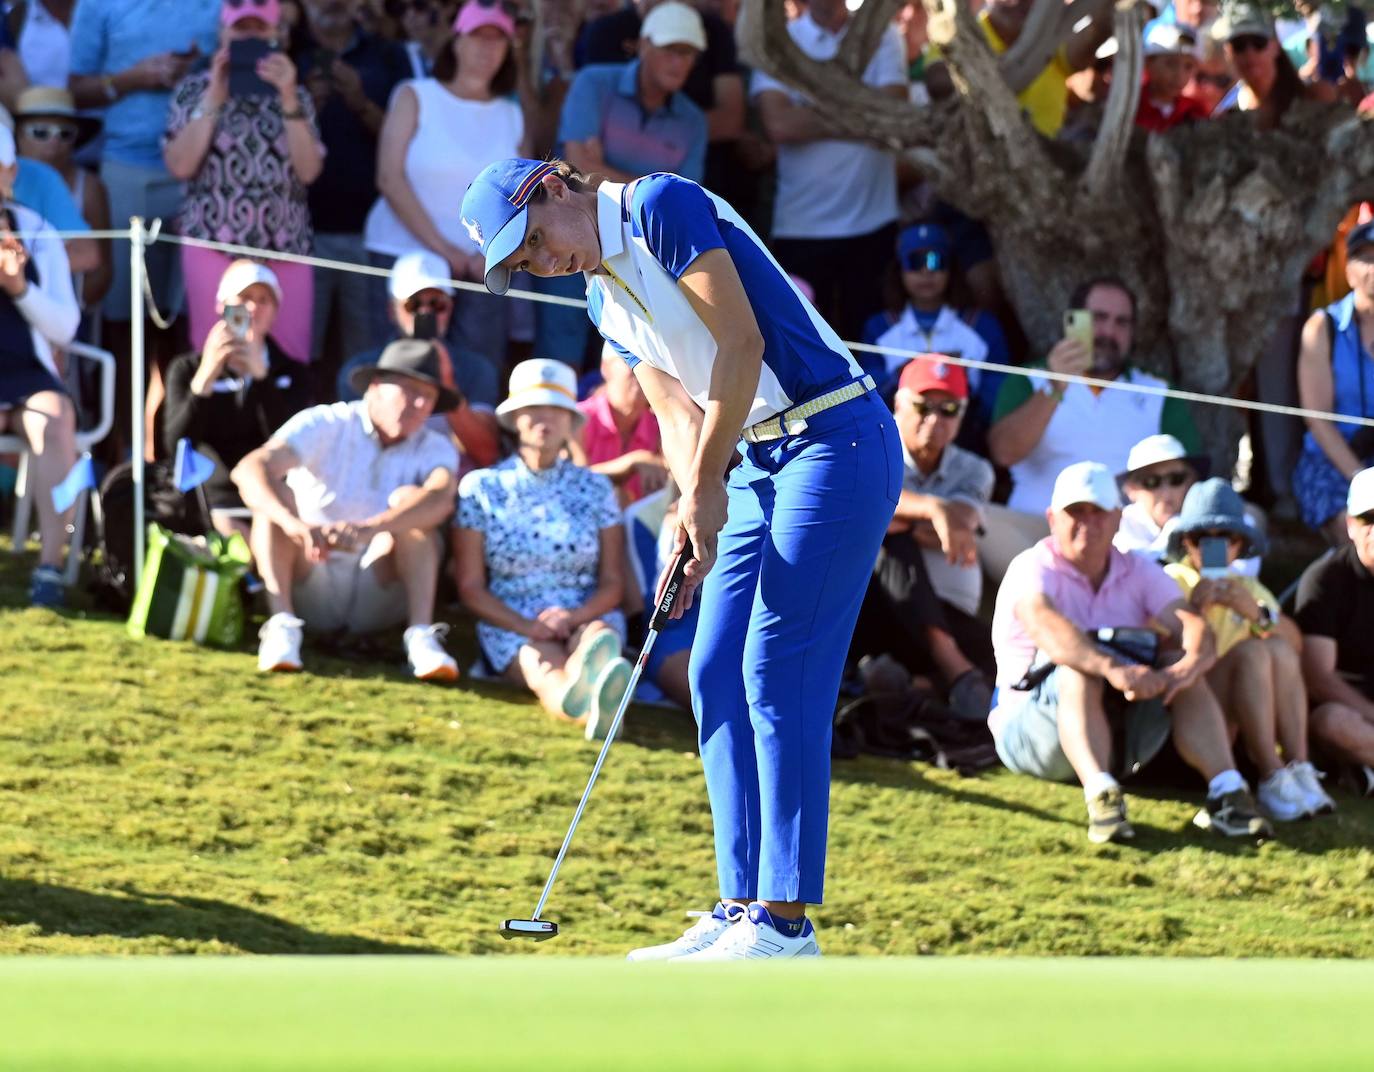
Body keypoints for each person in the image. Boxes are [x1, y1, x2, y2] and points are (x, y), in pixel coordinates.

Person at [461, 155, 902, 959]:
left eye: (531, 242)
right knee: (711, 667)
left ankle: (787, 922)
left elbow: (740, 345)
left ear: (554, 188)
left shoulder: (661, 206)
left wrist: (704, 485)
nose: (539, 263)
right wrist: (683, 509)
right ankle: (739, 909)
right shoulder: (601, 295)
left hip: (837, 436)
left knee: (777, 668)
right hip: (758, 457)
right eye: (522, 263)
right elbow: (673, 406)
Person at [989, 462, 1273, 844]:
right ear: (1053, 519)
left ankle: (1228, 793)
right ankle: (1102, 797)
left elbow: (1190, 624)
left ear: (1118, 518)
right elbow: (1047, 628)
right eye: (1076, 512)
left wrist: (1188, 665)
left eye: (1098, 512)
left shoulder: (1138, 570)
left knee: (1179, 664)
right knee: (1077, 666)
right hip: (1030, 731)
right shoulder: (1031, 567)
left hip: (1122, 725)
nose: (1088, 523)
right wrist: (1114, 669)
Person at [231, 338, 460, 682]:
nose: (417, 404)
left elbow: (441, 497)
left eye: (427, 397)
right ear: (376, 387)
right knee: (273, 500)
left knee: (414, 506)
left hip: (379, 584)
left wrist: (372, 528)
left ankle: (421, 635)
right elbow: (249, 469)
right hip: (310, 571)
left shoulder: (437, 446)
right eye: (408, 390)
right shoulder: (325, 422)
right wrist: (296, 526)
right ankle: (281, 625)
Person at [68, 0, 222, 461]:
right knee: (123, 330)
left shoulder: (217, 6)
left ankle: (176, 468)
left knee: (183, 333)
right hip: (126, 170)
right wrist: (134, 78)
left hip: (203, 178)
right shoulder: (100, 6)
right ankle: (121, 472)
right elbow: (75, 90)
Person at [454, 357, 635, 739]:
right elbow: (470, 586)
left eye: (557, 410)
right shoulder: (481, 488)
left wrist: (573, 617)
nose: (545, 419)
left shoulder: (597, 489)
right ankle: (591, 713)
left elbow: (613, 582)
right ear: (514, 419)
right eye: (533, 408)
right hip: (512, 616)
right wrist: (528, 626)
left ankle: (599, 688)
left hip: (585, 611)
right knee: (544, 668)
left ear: (571, 422)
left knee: (598, 637)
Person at [983, 276, 1202, 579]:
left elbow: (1190, 478)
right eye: (1098, 319)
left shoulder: (1159, 393)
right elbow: (1004, 452)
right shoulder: (1030, 379)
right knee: (976, 520)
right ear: (1073, 322)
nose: (1109, 332)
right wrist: (1055, 386)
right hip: (1039, 533)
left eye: (1122, 322)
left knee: (1246, 517)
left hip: (1128, 538)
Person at [533, 1, 708, 368]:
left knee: (642, 360)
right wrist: (649, 185)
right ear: (644, 45)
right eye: (671, 50)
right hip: (575, 229)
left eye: (689, 53)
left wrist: (603, 168)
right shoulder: (594, 82)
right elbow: (578, 168)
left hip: (646, 249)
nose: (680, 62)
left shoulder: (693, 120)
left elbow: (682, 194)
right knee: (561, 345)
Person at [365, 0, 528, 365]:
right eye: (477, 36)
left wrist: (483, 255)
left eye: (498, 38)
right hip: (402, 254)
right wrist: (445, 250)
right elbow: (389, 178)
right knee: (396, 368)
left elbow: (521, 198)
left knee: (475, 372)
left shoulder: (512, 113)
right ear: (456, 41)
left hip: (480, 266)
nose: (487, 47)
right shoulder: (414, 94)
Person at [164, 0, 325, 366]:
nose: (250, 37)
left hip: (286, 248)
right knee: (217, 354)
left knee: (289, 358)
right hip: (214, 245)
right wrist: (213, 98)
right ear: (222, 34)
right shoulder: (192, 91)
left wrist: (287, 96)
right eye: (241, 29)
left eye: (260, 29)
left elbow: (309, 170)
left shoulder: (296, 95)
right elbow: (180, 164)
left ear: (277, 36)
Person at [1163, 478, 1335, 819]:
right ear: (1187, 543)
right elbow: (1164, 649)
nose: (1215, 547)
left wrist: (1256, 613)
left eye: (1225, 537)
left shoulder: (1246, 587)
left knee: (1278, 649)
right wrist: (1195, 610)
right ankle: (1271, 775)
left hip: (1246, 709)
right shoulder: (1172, 578)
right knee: (1254, 652)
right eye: (1202, 539)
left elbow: (1294, 645)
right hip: (1194, 709)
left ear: (1239, 545)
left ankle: (1299, 769)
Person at [750, 0, 906, 344]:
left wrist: (810, 111)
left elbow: (891, 114)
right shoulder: (777, 42)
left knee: (869, 345)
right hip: (801, 227)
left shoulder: (885, 35)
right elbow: (779, 125)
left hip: (873, 224)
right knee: (803, 345)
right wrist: (861, 112)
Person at [852, 358, 996, 720]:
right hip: (867, 603)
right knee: (891, 543)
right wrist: (933, 509)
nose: (935, 419)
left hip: (935, 608)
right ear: (898, 404)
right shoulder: (867, 448)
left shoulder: (974, 468)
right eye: (923, 406)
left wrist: (900, 516)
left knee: (997, 653)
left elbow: (960, 523)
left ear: (962, 416)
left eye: (948, 409)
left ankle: (912, 685)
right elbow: (866, 515)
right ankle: (951, 668)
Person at [290, 0, 407, 371]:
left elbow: (407, 140)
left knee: (365, 356)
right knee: (298, 353)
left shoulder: (388, 54)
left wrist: (359, 101)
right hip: (299, 233)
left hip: (370, 233)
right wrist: (305, 104)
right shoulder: (286, 53)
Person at [161, 261, 314, 542]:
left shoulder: (293, 373)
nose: (253, 309)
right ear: (222, 306)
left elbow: (291, 441)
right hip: (212, 497)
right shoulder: (186, 369)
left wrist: (261, 378)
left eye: (263, 300)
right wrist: (206, 377)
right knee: (232, 534)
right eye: (244, 299)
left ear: (275, 311)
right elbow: (176, 443)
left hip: (269, 491)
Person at [0, 123, 80, 607]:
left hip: (27, 373)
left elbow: (65, 327)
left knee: (56, 420)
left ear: (9, 173)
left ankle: (50, 566)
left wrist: (19, 289)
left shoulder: (37, 231)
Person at [335, 249, 500, 468]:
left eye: (437, 304)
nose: (425, 313)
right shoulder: (359, 369)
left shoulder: (477, 369)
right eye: (412, 305)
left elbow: (486, 454)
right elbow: (351, 446)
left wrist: (448, 385)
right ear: (391, 311)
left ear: (450, 308)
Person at [865, 221, 1009, 453]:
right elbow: (869, 392)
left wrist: (961, 389)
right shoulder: (880, 326)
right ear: (899, 269)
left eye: (936, 262)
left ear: (951, 269)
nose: (926, 272)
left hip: (967, 438)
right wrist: (907, 374)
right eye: (914, 263)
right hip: (896, 440)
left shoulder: (981, 325)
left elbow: (999, 389)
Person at [1294, 466, 1374, 794]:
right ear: (1351, 525)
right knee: (1332, 722)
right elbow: (1319, 679)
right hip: (1351, 712)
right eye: (1369, 519)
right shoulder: (1324, 579)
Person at [926, 0, 1113, 138]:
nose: (1022, 3)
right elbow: (937, 80)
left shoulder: (1052, 46)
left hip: (1047, 168)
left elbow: (1093, 36)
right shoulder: (960, 38)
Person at [1295, 220, 1374, 544]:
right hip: (1334, 463)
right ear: (1348, 271)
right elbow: (1319, 420)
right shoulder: (1321, 328)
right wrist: (1361, 480)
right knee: (1358, 532)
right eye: (1365, 258)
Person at [12, 86, 112, 314]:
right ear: (17, 135)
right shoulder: (25, 176)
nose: (54, 142)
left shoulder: (89, 187)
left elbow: (99, 268)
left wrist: (60, 309)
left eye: (65, 133)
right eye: (40, 132)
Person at [571, 340, 666, 506]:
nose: (641, 370)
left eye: (652, 364)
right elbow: (571, 481)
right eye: (630, 359)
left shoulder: (663, 427)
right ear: (605, 368)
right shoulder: (577, 420)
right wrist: (632, 463)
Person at [1136, 23, 1210, 131]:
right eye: (1170, 64)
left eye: (1188, 67)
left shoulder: (1195, 112)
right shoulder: (1130, 106)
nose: (1179, 75)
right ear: (1148, 63)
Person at [393, 0, 460, 78]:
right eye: (401, 8)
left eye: (420, 5)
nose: (410, 15)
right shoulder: (400, 61)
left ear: (449, 7)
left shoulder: (470, 49)